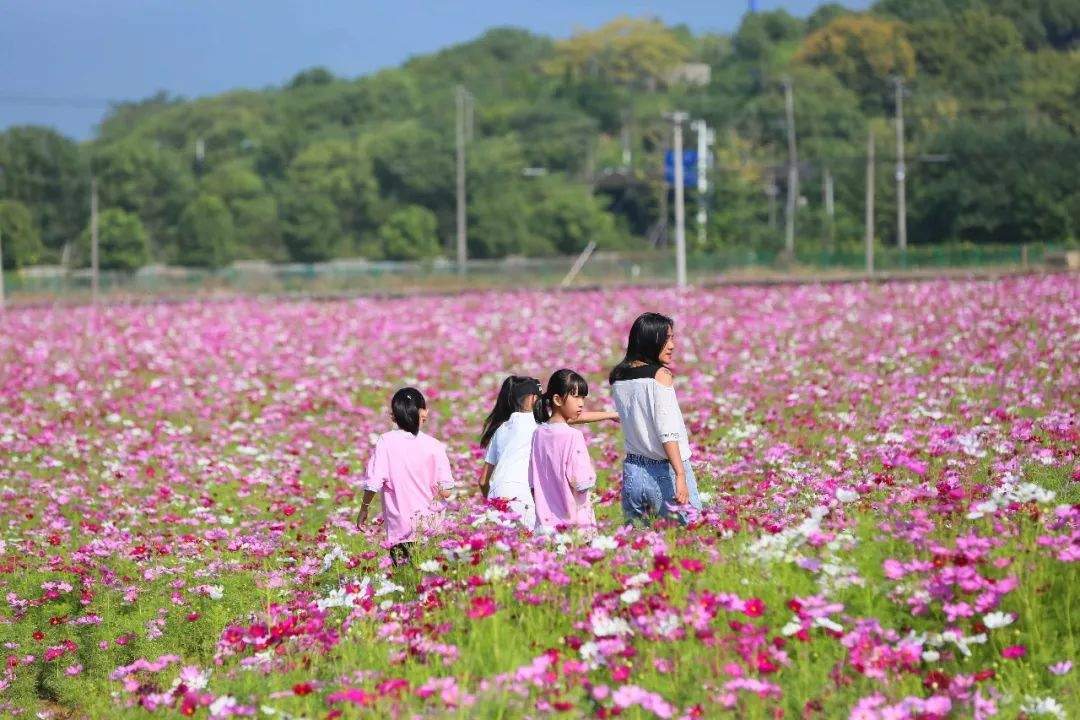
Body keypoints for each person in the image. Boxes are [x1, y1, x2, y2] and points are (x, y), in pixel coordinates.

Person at [478, 375, 616, 528]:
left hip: (496, 494)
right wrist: (611, 415)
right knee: (528, 546)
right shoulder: (537, 421)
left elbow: (483, 480)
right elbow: (569, 418)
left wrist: (492, 500)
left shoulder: (501, 429)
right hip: (522, 496)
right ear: (532, 399)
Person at [609, 312, 701, 525]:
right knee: (688, 535)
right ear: (650, 341)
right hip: (665, 469)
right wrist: (680, 475)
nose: (672, 345)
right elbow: (667, 431)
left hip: (634, 470)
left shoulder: (618, 376)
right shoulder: (660, 375)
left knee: (640, 543)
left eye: (672, 338)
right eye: (666, 339)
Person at [356, 387, 453, 564]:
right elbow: (446, 490)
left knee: (405, 581)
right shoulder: (434, 445)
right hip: (431, 526)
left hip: (401, 528)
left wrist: (364, 509)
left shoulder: (386, 441)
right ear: (423, 412)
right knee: (429, 581)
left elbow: (374, 482)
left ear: (394, 415)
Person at [528, 369, 599, 533]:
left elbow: (532, 480)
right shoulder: (573, 435)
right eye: (576, 396)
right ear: (557, 399)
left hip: (544, 525)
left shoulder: (538, 433)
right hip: (573, 525)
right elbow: (582, 482)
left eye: (583, 397)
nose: (581, 403)